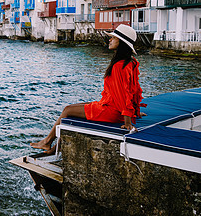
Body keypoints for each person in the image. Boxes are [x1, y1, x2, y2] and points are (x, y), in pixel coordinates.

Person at [31, 24, 146, 154]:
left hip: (112, 111)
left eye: (113, 38)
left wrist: (128, 121)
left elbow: (124, 94)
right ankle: (53, 148)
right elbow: (134, 90)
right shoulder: (131, 62)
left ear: (121, 42)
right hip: (110, 105)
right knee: (73, 109)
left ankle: (47, 142)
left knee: (68, 110)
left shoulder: (119, 66)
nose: (110, 40)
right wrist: (135, 111)